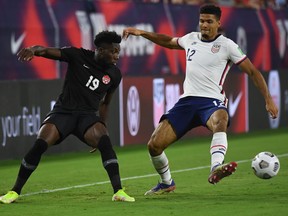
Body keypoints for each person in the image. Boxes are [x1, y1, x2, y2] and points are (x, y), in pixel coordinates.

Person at [122, 4, 278, 195]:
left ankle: (216, 167)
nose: (204, 25)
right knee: (154, 145)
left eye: (209, 21)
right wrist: (141, 32)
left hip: (210, 102)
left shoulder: (227, 45)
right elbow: (167, 41)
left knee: (221, 119)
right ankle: (166, 182)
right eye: (202, 21)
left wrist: (268, 99)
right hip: (186, 102)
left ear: (218, 23)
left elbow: (253, 72)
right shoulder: (190, 39)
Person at [0, 31, 135, 203]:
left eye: (118, 52)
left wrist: (102, 125)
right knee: (40, 144)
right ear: (101, 50)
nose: (117, 56)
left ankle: (119, 191)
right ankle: (14, 191)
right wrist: (33, 49)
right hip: (63, 113)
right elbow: (46, 51)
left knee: (105, 141)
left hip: (86, 117)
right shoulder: (77, 55)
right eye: (114, 51)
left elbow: (106, 103)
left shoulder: (115, 75)